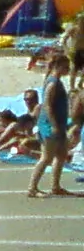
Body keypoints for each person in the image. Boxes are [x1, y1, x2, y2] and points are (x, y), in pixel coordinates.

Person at [27, 52, 74, 198]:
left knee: (61, 154)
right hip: (50, 124)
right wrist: (54, 125)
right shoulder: (53, 83)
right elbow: (47, 105)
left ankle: (55, 186)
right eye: (66, 67)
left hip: (59, 123)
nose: (68, 70)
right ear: (58, 66)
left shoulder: (55, 81)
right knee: (46, 157)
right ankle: (32, 188)